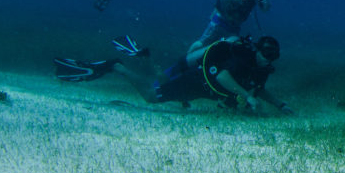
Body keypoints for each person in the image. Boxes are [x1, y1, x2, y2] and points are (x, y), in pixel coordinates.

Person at [53, 34, 290, 114]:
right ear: (257, 49)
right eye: (266, 53)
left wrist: (281, 105)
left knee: (158, 82)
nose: (268, 59)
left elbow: (259, 88)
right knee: (150, 95)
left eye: (273, 56)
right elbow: (222, 77)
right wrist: (246, 96)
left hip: (203, 87)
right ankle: (117, 66)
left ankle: (146, 59)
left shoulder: (261, 67)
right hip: (199, 80)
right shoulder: (243, 58)